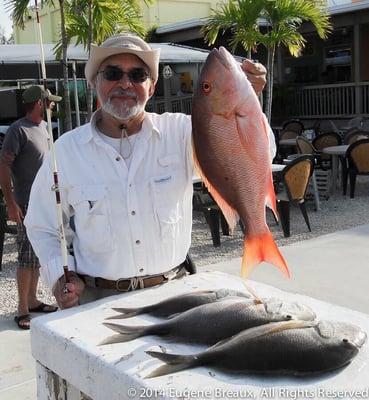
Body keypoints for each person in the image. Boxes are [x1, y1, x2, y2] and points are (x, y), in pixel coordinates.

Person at [24, 34, 273, 310]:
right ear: (94, 82)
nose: (125, 83)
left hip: (176, 293)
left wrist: (250, 103)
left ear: (151, 87)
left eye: (138, 74)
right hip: (97, 303)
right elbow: (41, 224)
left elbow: (258, 155)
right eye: (112, 73)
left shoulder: (181, 132)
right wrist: (60, 276)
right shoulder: (67, 151)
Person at [0, 85, 62, 329]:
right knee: (26, 257)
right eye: (49, 101)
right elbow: (3, 165)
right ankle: (22, 308)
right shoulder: (18, 130)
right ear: (39, 103)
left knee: (38, 255)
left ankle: (33, 300)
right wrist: (11, 202)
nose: (52, 105)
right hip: (26, 204)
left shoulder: (44, 127)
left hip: (45, 203)